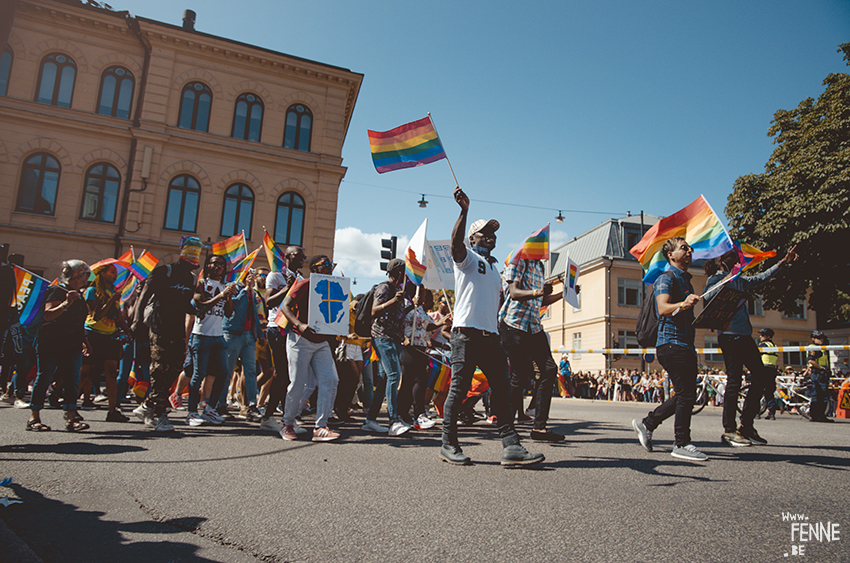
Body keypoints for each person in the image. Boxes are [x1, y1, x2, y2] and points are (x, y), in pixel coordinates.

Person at [439, 186, 544, 467]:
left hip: (490, 337)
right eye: (484, 232)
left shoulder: (495, 268)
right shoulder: (469, 259)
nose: (490, 236)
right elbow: (455, 247)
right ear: (473, 237)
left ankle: (511, 446)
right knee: (459, 389)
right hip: (465, 334)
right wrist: (464, 211)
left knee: (502, 389)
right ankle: (448, 444)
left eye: (493, 232)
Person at [704, 246, 796, 446]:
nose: (738, 260)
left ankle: (746, 425)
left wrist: (781, 263)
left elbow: (760, 278)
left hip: (744, 336)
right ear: (722, 261)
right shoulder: (715, 279)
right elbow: (708, 301)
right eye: (733, 257)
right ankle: (729, 430)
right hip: (729, 336)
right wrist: (723, 283)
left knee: (761, 376)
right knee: (734, 380)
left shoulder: (739, 280)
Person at [631, 237, 706, 461]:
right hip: (670, 344)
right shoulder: (666, 278)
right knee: (686, 394)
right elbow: (663, 308)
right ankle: (681, 443)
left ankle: (648, 423)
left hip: (685, 344)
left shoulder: (687, 282)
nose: (689, 250)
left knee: (687, 394)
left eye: (690, 248)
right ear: (671, 255)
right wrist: (684, 304)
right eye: (684, 248)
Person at [132, 236, 201, 432]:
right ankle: (161, 415)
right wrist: (137, 322)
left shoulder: (192, 279)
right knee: (159, 369)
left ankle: (147, 406)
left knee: (174, 368)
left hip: (177, 329)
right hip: (158, 326)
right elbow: (144, 296)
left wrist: (201, 309)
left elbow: (185, 304)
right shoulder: (164, 272)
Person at [499, 252, 565, 441]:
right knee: (518, 375)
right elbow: (514, 292)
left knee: (549, 369)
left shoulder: (540, 267)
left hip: (534, 326)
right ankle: (508, 427)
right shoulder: (518, 261)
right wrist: (538, 291)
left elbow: (539, 301)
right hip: (514, 325)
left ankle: (539, 428)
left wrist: (564, 294)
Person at [279, 254, 340, 441]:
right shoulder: (305, 284)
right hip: (300, 339)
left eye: (331, 264)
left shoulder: (333, 288)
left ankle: (321, 427)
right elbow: (285, 307)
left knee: (330, 380)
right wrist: (300, 324)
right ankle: (287, 423)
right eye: (325, 264)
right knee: (298, 382)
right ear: (314, 268)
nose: (330, 267)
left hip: (321, 341)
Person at [27, 260, 91, 432]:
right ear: (76, 274)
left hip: (72, 343)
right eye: (85, 274)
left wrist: (84, 340)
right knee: (44, 377)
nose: (87, 278)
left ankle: (71, 418)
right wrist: (66, 303)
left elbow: (78, 321)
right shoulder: (57, 290)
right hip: (51, 342)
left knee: (72, 380)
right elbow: (48, 315)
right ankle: (34, 417)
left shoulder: (78, 294)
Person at [185, 255, 236, 426]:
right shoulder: (201, 283)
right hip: (201, 335)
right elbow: (201, 306)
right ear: (208, 266)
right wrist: (221, 295)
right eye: (215, 263)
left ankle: (210, 409)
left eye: (222, 264)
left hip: (218, 336)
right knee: (198, 374)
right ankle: (192, 412)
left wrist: (228, 297)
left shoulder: (223, 286)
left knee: (223, 373)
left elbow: (228, 313)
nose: (219, 267)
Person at [362, 258, 409, 436]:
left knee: (383, 379)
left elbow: (396, 314)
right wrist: (393, 300)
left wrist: (411, 306)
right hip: (383, 337)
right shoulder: (385, 288)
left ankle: (371, 420)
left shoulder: (398, 291)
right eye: (405, 272)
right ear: (398, 273)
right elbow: (375, 310)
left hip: (395, 339)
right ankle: (393, 421)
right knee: (393, 375)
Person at [80, 262, 132, 422]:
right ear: (102, 274)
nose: (114, 275)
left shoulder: (113, 291)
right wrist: (111, 301)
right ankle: (72, 405)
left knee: (111, 372)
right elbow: (96, 315)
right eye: (111, 272)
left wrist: (128, 330)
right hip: (93, 334)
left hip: (110, 336)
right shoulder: (92, 291)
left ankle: (113, 410)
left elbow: (118, 315)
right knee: (85, 371)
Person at [262, 246, 306, 433]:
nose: (302, 258)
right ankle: (269, 416)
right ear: (287, 257)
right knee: (283, 374)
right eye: (298, 255)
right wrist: (288, 288)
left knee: (292, 376)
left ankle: (285, 417)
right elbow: (269, 302)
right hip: (277, 328)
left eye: (304, 256)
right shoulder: (275, 276)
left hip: (293, 331)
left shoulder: (302, 279)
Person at [220, 270, 263, 423]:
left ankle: (252, 406)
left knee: (250, 372)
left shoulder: (252, 291)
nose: (252, 276)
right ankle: (220, 405)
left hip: (249, 336)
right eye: (249, 273)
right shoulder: (234, 288)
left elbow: (254, 313)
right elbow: (234, 309)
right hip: (233, 334)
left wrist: (259, 333)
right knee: (228, 370)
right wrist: (246, 289)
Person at [805, 330, 832, 422]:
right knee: (818, 394)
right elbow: (811, 360)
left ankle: (821, 415)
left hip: (822, 372)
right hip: (817, 372)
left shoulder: (822, 347)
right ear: (813, 339)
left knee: (823, 394)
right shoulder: (813, 347)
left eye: (822, 338)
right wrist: (821, 368)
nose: (821, 340)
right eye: (818, 338)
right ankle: (816, 415)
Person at [757, 328, 779, 420]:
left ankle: (756, 412)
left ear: (768, 336)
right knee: (769, 392)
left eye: (762, 335)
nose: (760, 336)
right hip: (772, 369)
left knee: (758, 391)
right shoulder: (774, 345)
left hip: (763, 369)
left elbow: (756, 356)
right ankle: (771, 413)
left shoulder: (763, 345)